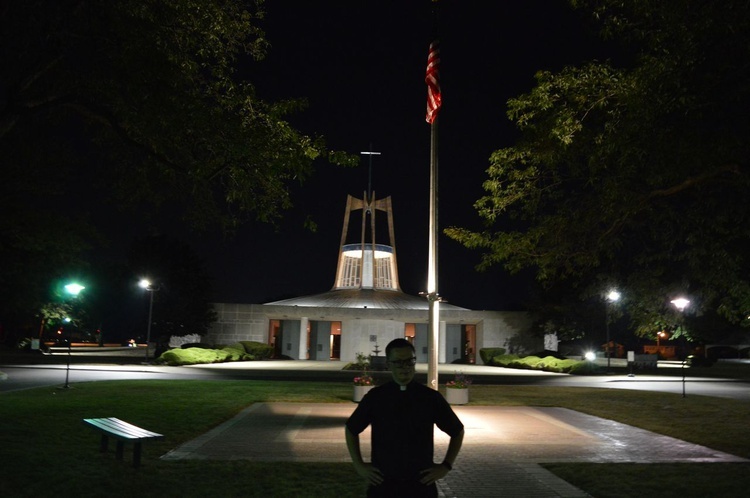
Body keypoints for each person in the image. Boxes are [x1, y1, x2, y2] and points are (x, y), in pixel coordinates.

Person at [345, 338, 465, 497]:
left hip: (421, 485)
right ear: (388, 364)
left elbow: (457, 431)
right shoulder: (376, 397)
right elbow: (351, 429)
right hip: (383, 484)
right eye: (398, 362)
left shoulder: (429, 398)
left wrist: (446, 466)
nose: (405, 367)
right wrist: (359, 465)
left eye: (410, 361)